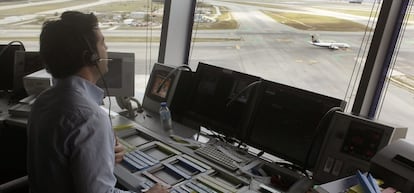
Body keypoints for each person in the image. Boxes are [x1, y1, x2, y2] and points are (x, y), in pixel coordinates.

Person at [27, 11, 169, 193]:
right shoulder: (89, 118)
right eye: (102, 42)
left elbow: (60, 163)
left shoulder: (44, 100)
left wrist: (103, 156)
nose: (106, 47)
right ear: (91, 57)